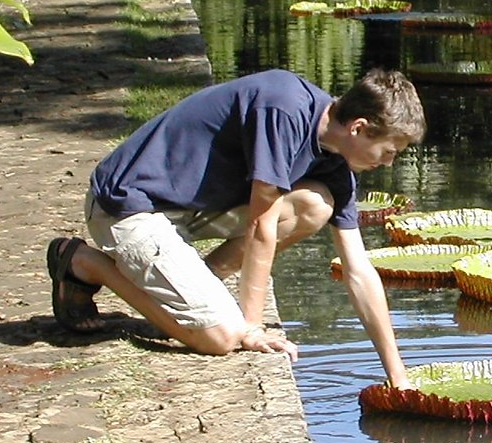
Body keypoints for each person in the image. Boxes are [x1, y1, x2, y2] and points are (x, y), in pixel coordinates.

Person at [44, 67, 426, 384]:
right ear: (359, 128)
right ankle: (84, 262)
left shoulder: (337, 165)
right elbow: (262, 225)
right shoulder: (284, 108)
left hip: (188, 211)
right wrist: (252, 329)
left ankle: (195, 293)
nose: (389, 162)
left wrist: (397, 375)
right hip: (128, 207)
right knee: (222, 337)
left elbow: (358, 270)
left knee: (315, 204)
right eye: (390, 151)